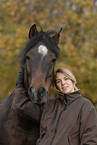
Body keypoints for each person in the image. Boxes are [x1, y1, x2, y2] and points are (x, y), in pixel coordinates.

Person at [12, 67, 97, 145]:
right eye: (58, 81)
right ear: (57, 86)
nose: (63, 83)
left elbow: (90, 140)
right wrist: (20, 84)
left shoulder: (85, 106)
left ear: (72, 80)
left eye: (66, 79)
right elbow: (20, 105)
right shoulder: (49, 105)